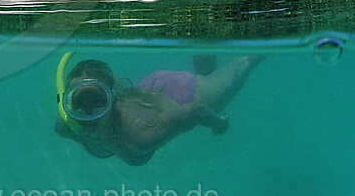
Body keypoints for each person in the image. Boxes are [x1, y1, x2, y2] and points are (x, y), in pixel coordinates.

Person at [54, 54, 262, 165]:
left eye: (98, 100)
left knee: (244, 65)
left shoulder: (139, 135)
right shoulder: (65, 126)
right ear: (65, 101)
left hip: (181, 93)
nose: (88, 113)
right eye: (79, 101)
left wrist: (219, 124)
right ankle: (208, 46)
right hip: (151, 88)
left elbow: (195, 111)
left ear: (113, 98)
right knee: (209, 75)